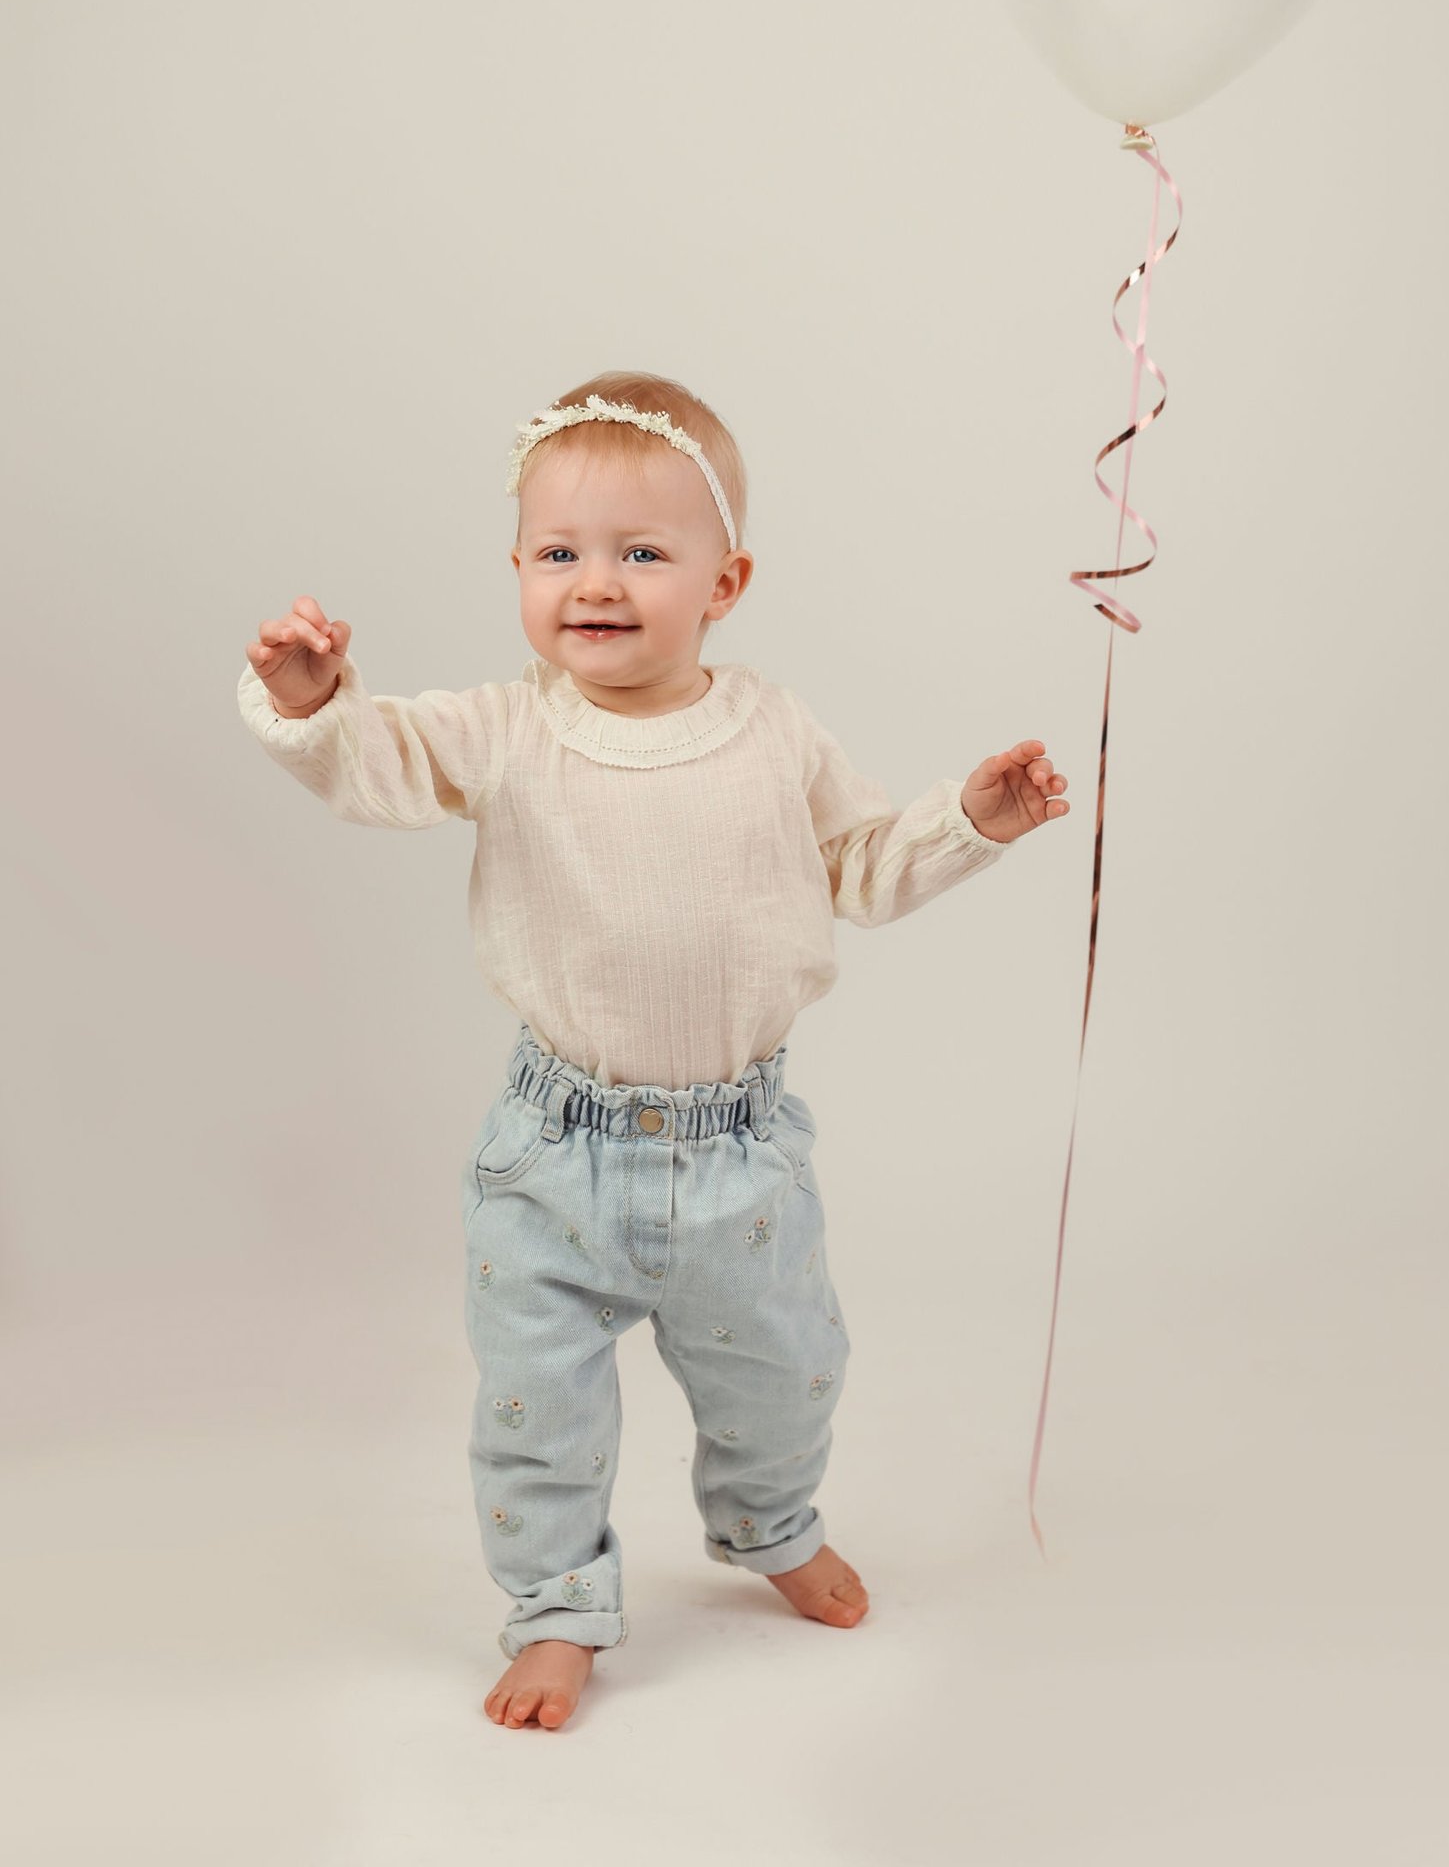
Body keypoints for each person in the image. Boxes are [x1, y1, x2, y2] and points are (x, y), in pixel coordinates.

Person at [237, 372, 1069, 1732]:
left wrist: (967, 820)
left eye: (640, 552)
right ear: (518, 570)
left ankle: (772, 1523)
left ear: (724, 584)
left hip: (738, 1161)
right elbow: (374, 763)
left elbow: (861, 866)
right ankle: (556, 1606)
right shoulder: (505, 729)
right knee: (535, 1412)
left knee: (788, 1376)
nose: (595, 584)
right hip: (550, 1160)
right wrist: (315, 700)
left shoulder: (773, 733)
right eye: (557, 553)